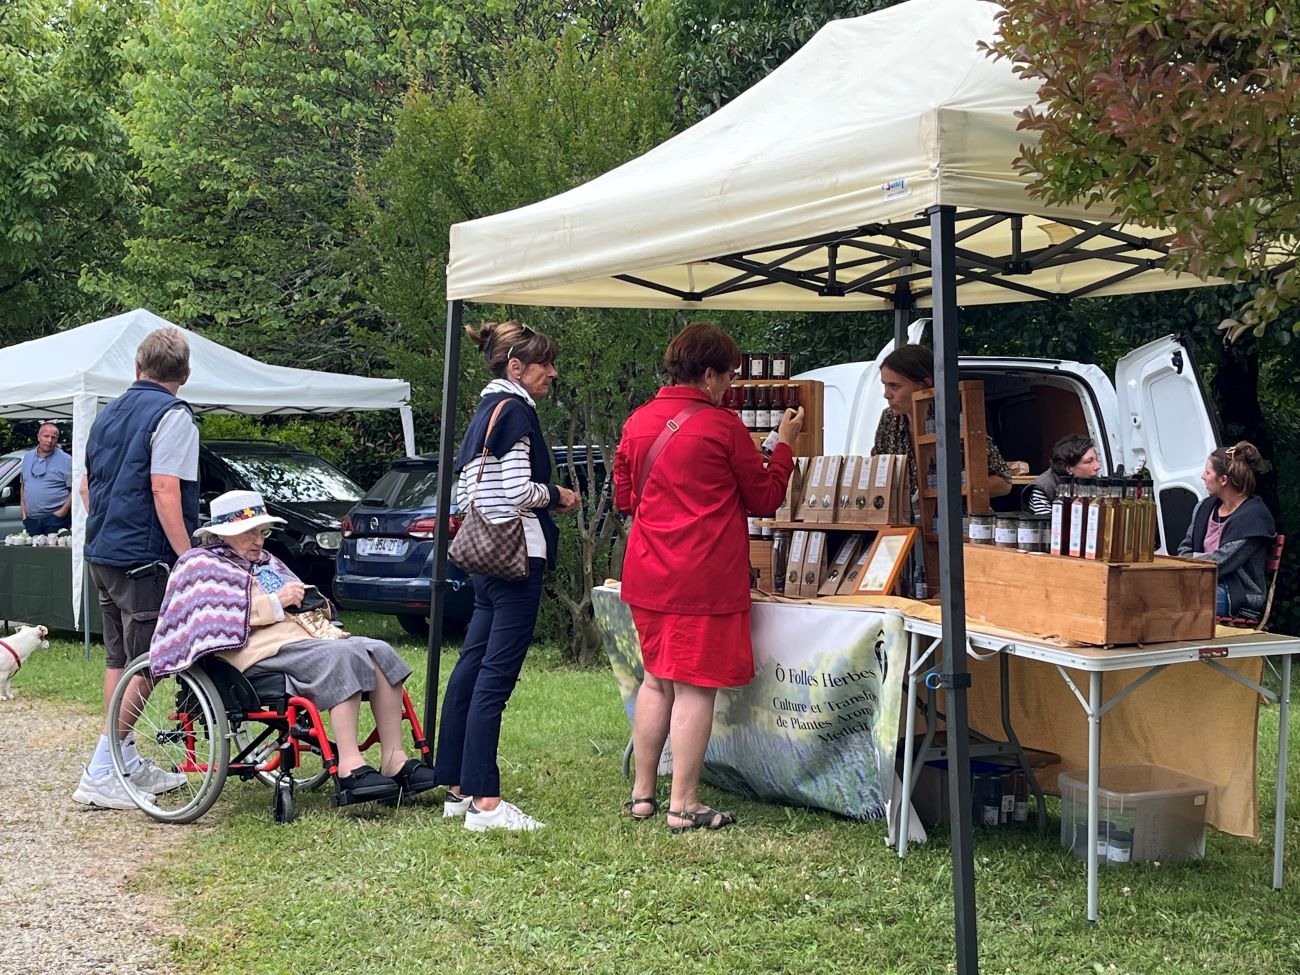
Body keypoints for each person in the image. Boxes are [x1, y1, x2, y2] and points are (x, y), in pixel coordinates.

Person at [615, 321, 802, 833]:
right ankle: (685, 804)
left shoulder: (637, 423)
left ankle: (643, 796)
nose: (729, 386)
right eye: (728, 377)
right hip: (704, 578)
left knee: (656, 682)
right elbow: (765, 497)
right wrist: (782, 446)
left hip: (648, 573)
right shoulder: (723, 428)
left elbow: (624, 500)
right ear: (710, 373)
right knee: (696, 689)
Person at [150, 490, 438, 803]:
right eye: (250, 533)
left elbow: (299, 598)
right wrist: (277, 602)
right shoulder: (200, 565)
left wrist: (312, 603)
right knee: (344, 654)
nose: (259, 540)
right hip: (254, 654)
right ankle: (350, 767)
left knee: (378, 650)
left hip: (300, 641)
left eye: (262, 532)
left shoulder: (265, 562)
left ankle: (395, 759)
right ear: (224, 533)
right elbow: (209, 621)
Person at [433, 320, 580, 832]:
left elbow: (471, 488)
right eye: (545, 364)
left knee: (471, 668)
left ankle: (455, 786)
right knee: (496, 676)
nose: (552, 373)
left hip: (485, 556)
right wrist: (555, 495)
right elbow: (518, 491)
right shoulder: (516, 410)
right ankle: (485, 802)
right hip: (518, 556)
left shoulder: (483, 411)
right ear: (516, 366)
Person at [73, 328, 200, 810]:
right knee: (150, 663)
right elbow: (165, 489)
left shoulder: (107, 416)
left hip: (102, 550)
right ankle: (103, 769)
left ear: (137, 368)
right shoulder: (172, 416)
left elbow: (86, 488)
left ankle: (122, 759)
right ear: (184, 376)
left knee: (119, 660)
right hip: (143, 558)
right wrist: (187, 556)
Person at [871, 344, 1013, 499]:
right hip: (904, 522)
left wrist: (951, 489)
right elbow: (877, 474)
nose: (886, 394)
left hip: (956, 521)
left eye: (894, 386)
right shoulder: (889, 419)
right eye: (885, 385)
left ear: (924, 384)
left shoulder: (955, 420)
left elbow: (1003, 482)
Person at [1178, 441, 1275, 622]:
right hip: (1198, 580)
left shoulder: (1254, 518)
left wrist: (1184, 567)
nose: (1202, 476)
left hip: (1237, 594)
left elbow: (1221, 562)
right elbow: (1185, 547)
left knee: (1172, 596)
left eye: (1208, 472)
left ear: (1223, 480)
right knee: (1159, 590)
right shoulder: (1203, 508)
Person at [1022, 434, 1101, 515]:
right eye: (1089, 462)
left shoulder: (1093, 482)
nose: (1097, 466)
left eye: (1097, 460)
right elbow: (1047, 524)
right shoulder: (1045, 487)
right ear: (1069, 468)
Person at [20, 422, 73, 534]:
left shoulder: (66, 460)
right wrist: (24, 512)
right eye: (46, 436)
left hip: (55, 520)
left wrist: (62, 512)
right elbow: (24, 485)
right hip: (31, 520)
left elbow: (74, 489)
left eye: (53, 437)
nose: (49, 440)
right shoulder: (27, 457)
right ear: (38, 437)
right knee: (31, 551)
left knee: (52, 552)